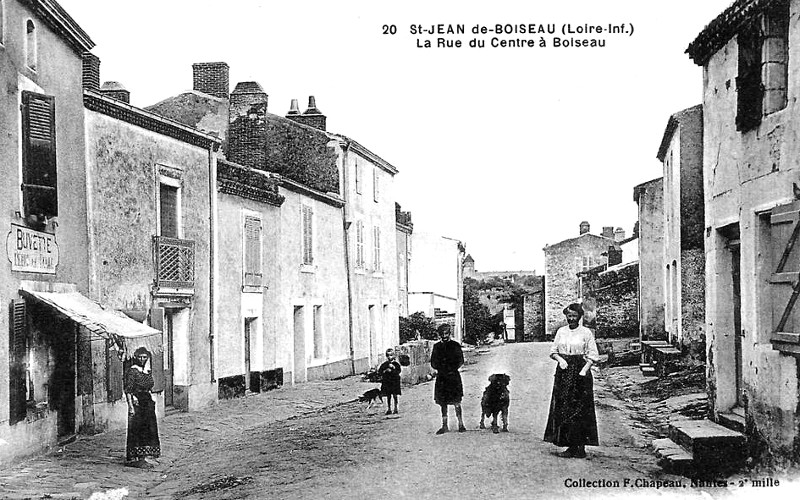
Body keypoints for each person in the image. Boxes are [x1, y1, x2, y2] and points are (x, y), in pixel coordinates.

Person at [543, 303, 600, 458]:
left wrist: (584, 370)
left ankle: (580, 446)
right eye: (569, 316)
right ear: (566, 316)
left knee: (580, 408)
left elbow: (593, 354)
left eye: (574, 316)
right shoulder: (561, 332)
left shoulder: (586, 332)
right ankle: (569, 444)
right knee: (563, 406)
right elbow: (553, 351)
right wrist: (560, 360)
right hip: (563, 371)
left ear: (580, 316)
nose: (571, 319)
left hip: (581, 372)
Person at [125, 347, 161, 468]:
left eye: (144, 357)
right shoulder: (132, 371)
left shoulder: (147, 371)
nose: (142, 359)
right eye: (140, 357)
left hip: (147, 402)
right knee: (137, 429)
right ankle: (136, 458)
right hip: (137, 402)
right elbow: (128, 390)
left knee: (149, 429)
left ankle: (146, 456)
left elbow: (149, 386)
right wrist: (130, 406)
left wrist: (151, 398)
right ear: (135, 357)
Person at [430, 323, 466, 434]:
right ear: (439, 335)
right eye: (442, 334)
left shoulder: (455, 345)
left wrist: (451, 368)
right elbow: (433, 362)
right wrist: (441, 368)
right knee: (443, 402)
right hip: (442, 378)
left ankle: (461, 424)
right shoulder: (437, 347)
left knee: (456, 402)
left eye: (446, 333)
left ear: (449, 333)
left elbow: (460, 360)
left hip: (453, 377)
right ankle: (444, 425)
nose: (444, 336)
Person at [378, 348, 402, 415]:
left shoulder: (396, 364)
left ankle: (396, 408)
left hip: (394, 382)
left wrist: (393, 369)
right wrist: (385, 371)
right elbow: (380, 371)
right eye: (388, 355)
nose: (389, 357)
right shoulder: (385, 364)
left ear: (394, 356)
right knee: (388, 396)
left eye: (391, 355)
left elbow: (398, 371)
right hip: (387, 382)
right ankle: (389, 408)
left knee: (395, 395)